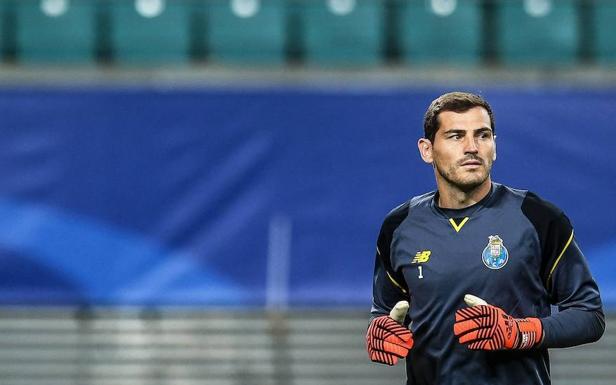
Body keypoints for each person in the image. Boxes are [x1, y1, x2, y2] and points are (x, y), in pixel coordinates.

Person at [365, 92, 605, 385]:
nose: (472, 148)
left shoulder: (538, 217)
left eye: (483, 135)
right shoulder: (399, 226)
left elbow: (589, 316)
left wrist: (519, 332)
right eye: (455, 136)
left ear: (495, 147)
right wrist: (380, 329)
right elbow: (385, 310)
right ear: (427, 150)